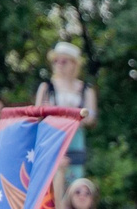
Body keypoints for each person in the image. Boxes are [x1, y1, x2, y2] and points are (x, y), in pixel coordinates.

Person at [35, 41, 96, 178]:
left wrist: (64, 115)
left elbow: (91, 118)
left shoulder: (86, 89)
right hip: (51, 139)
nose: (59, 65)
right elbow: (36, 116)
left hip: (75, 139)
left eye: (63, 61)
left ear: (74, 64)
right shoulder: (46, 87)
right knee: (50, 180)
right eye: (55, 61)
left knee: (75, 180)